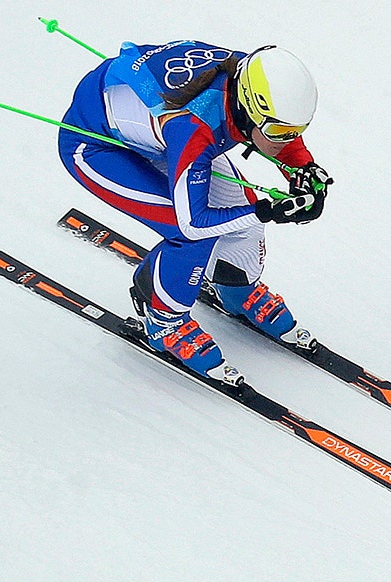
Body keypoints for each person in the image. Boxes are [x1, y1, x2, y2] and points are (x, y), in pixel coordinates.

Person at [59, 41, 335, 385]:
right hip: (97, 147)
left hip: (163, 137)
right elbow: (193, 224)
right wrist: (266, 211)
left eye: (298, 130)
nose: (288, 140)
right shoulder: (195, 129)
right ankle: (161, 320)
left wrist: (303, 168)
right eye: (280, 132)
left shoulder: (246, 80)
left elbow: (276, 135)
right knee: (189, 238)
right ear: (250, 112)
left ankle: (234, 287)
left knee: (242, 221)